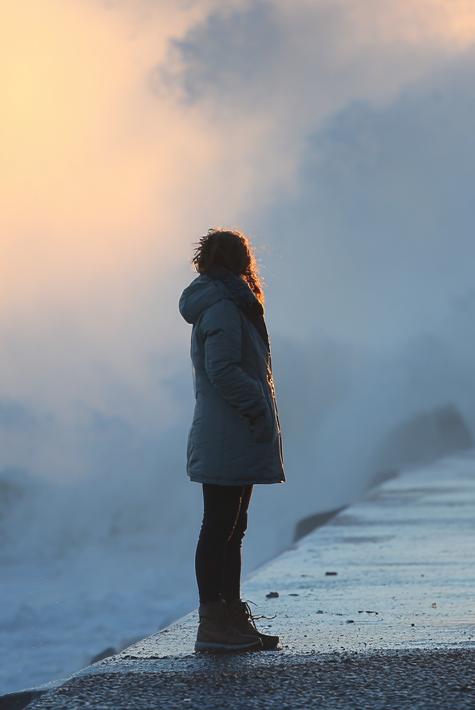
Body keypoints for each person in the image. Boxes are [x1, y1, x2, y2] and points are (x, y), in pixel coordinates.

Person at [179, 228, 285, 652]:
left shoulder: (232, 303)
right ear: (240, 261)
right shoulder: (223, 306)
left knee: (232, 529)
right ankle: (212, 624)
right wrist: (258, 406)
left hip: (234, 432)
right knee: (219, 527)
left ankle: (232, 617)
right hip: (228, 432)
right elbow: (221, 370)